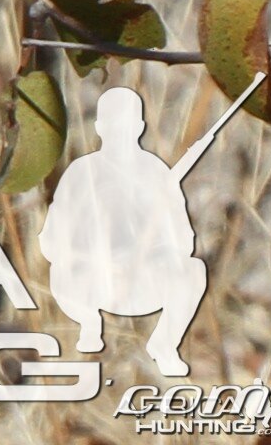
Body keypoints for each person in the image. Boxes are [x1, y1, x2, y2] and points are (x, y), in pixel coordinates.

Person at [44, 79, 209, 380]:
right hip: (89, 280)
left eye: (127, 124)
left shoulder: (157, 173)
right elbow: (52, 240)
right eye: (113, 124)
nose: (120, 133)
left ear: (140, 127)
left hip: (143, 280)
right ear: (99, 127)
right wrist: (96, 257)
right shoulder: (81, 172)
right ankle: (90, 325)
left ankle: (164, 345)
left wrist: (152, 231)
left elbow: (183, 241)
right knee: (62, 274)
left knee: (193, 271)